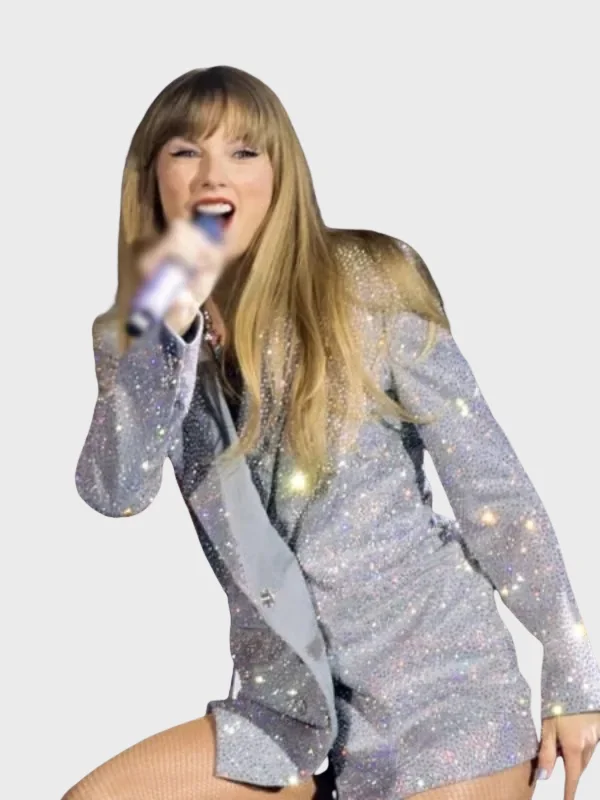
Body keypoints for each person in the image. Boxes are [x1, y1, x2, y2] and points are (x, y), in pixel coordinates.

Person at [66, 65, 600, 800]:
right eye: (186, 151)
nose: (213, 174)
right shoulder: (136, 334)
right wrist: (165, 333)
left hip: (442, 698)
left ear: (279, 176)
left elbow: (492, 490)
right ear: (154, 178)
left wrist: (572, 669)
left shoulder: (368, 278)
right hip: (286, 710)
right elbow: (116, 490)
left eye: (244, 152)